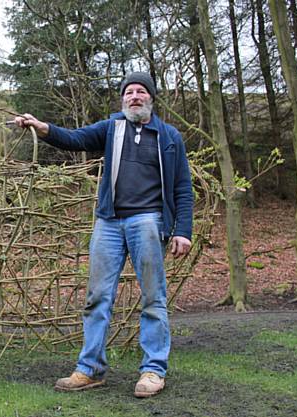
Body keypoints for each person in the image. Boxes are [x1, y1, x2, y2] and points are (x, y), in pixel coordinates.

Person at [14, 72, 193, 398]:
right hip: (108, 224)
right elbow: (75, 138)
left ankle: (153, 371)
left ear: (151, 98)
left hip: (148, 222)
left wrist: (183, 230)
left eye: (141, 92)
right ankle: (90, 369)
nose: (135, 96)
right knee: (97, 298)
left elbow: (182, 186)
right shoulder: (112, 129)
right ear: (122, 99)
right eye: (129, 92)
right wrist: (42, 127)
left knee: (153, 298)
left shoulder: (169, 137)